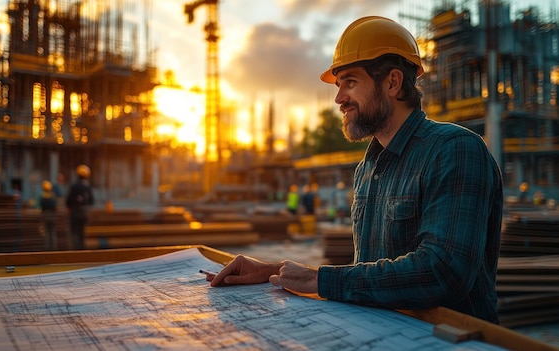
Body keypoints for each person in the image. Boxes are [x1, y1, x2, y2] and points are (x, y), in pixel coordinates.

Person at [208, 16, 503, 324]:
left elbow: (443, 271)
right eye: (338, 86)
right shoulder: (367, 169)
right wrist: (275, 270)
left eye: (350, 82)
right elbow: (373, 277)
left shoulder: (454, 150)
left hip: (452, 341)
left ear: (392, 82)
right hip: (383, 336)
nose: (338, 99)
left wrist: (320, 279)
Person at [66, 164, 94, 250]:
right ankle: (82, 250)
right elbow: (91, 201)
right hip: (84, 212)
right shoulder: (88, 186)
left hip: (75, 212)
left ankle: (75, 251)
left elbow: (69, 201)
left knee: (74, 232)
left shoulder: (74, 186)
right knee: (82, 232)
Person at [39, 180, 58, 250]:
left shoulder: (42, 196)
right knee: (52, 232)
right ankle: (54, 247)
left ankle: (47, 248)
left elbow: (40, 206)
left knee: (47, 232)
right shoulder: (53, 196)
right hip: (52, 215)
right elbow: (56, 206)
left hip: (45, 215)